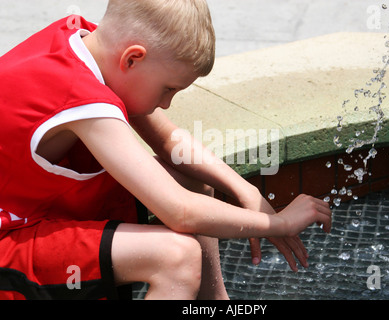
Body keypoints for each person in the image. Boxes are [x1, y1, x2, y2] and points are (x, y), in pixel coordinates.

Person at [0, 0, 332, 300]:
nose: (166, 103)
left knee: (188, 178)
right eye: (168, 89)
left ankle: (214, 303)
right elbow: (181, 212)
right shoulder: (82, 98)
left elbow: (171, 143)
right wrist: (281, 224)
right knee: (176, 257)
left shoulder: (86, 41)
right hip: (8, 245)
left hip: (37, 210)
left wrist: (246, 192)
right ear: (132, 58)